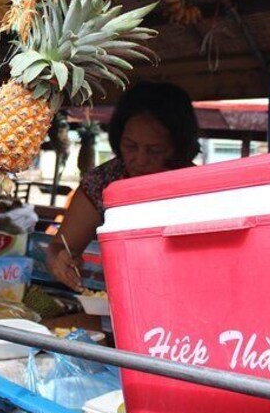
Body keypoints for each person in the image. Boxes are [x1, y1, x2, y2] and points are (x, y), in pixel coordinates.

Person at [46, 81, 200, 291]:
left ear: (177, 146)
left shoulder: (199, 188)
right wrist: (60, 260)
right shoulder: (102, 181)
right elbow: (60, 247)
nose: (140, 159)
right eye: (130, 146)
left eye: (155, 150)